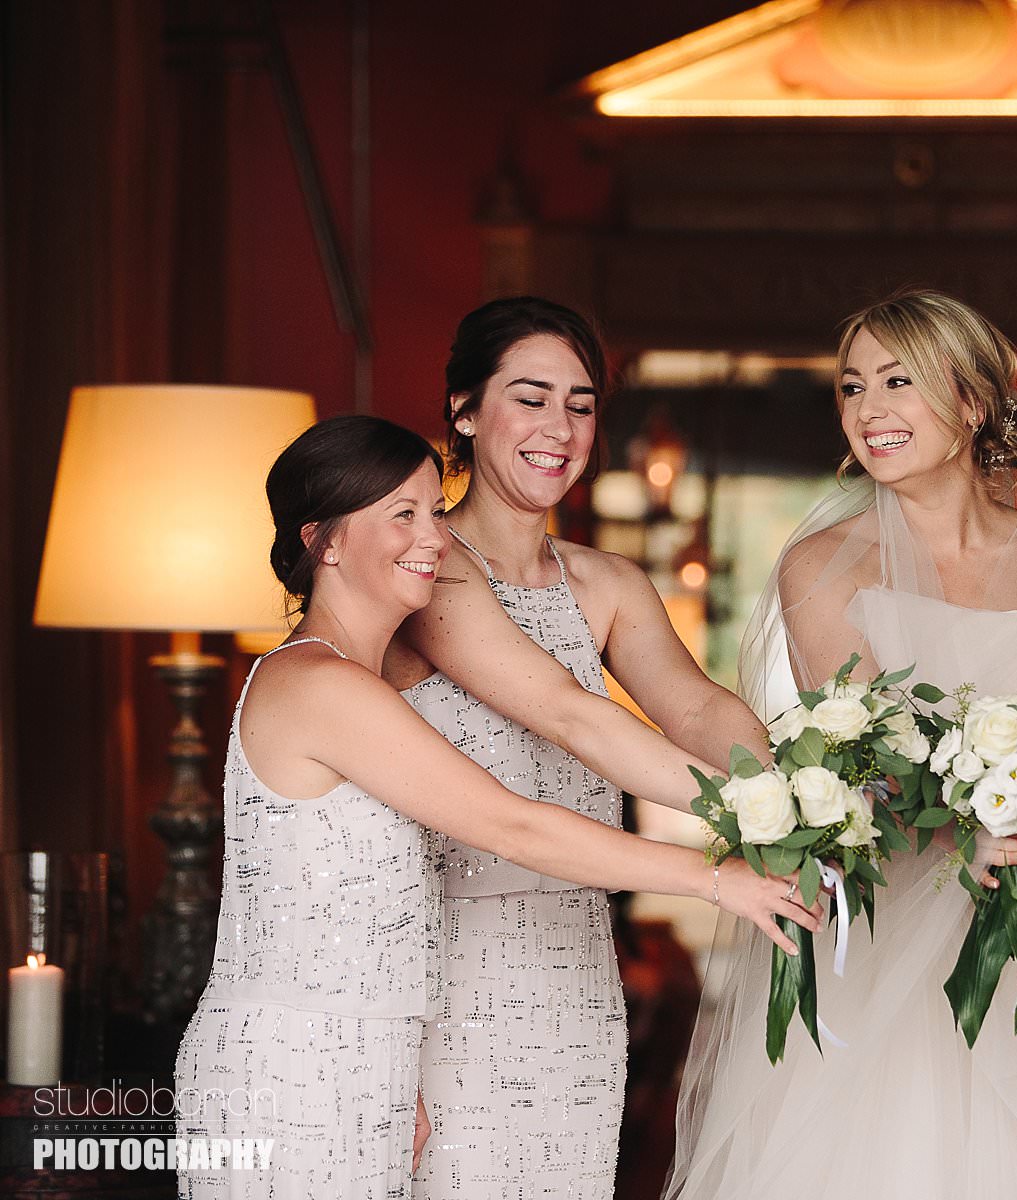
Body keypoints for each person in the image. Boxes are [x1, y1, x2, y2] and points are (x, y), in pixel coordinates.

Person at [175, 415, 816, 1200]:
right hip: (294, 1072)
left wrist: (395, 1076)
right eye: (401, 515)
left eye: (434, 511)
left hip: (361, 1064)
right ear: (323, 542)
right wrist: (718, 878)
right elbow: (513, 824)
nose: (434, 538)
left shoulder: (358, 681)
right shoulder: (320, 685)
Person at [665, 289, 1017, 1199]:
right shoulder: (822, 565)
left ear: (973, 402)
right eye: (852, 386)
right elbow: (857, 764)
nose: (869, 409)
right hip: (887, 930)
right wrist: (965, 826)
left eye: (898, 381)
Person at [380, 297, 782, 1198]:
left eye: (581, 404)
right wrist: (760, 810)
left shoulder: (607, 582)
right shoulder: (428, 567)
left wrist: (803, 788)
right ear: (463, 410)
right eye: (530, 399)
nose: (559, 430)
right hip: (449, 980)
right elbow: (572, 716)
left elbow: (695, 707)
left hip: (578, 980)